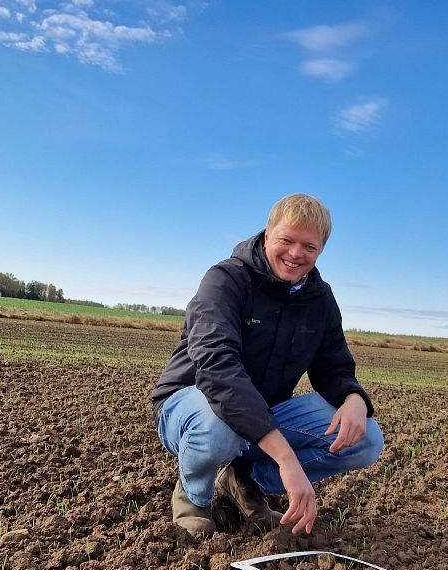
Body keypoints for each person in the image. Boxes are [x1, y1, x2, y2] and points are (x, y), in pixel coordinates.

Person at [151, 193, 383, 538]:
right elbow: (217, 370)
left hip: (261, 414)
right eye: (286, 240)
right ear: (267, 233)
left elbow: (334, 365)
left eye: (309, 246)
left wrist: (353, 398)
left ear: (321, 249)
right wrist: (286, 459)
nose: (296, 253)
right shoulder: (226, 280)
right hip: (192, 407)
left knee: (366, 439)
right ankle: (194, 494)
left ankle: (244, 479)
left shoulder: (319, 299)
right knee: (220, 425)